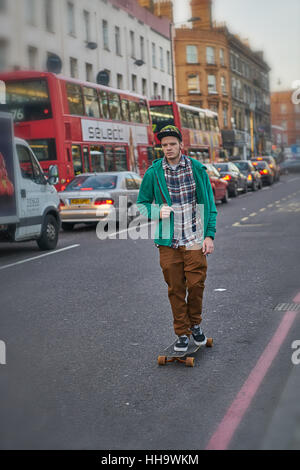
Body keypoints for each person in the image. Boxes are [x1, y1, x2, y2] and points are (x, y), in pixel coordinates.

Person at [137, 125, 217, 352]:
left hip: (194, 238)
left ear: (181, 145)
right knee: (175, 288)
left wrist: (209, 236)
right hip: (168, 243)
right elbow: (142, 204)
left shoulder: (197, 169)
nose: (168, 148)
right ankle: (182, 332)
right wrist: (155, 212)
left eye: (172, 143)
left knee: (196, 284)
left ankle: (195, 324)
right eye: (164, 145)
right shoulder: (154, 173)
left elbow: (209, 206)